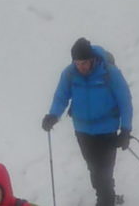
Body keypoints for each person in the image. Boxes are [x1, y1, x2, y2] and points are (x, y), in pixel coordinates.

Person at [41, 38, 133, 206]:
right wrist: (53, 116)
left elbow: (125, 101)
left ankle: (105, 200)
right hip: (82, 131)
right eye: (77, 63)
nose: (80, 67)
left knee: (103, 171)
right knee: (94, 169)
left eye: (84, 63)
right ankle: (107, 196)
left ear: (92, 59)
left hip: (107, 130)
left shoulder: (109, 73)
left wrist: (126, 130)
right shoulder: (69, 74)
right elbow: (61, 96)